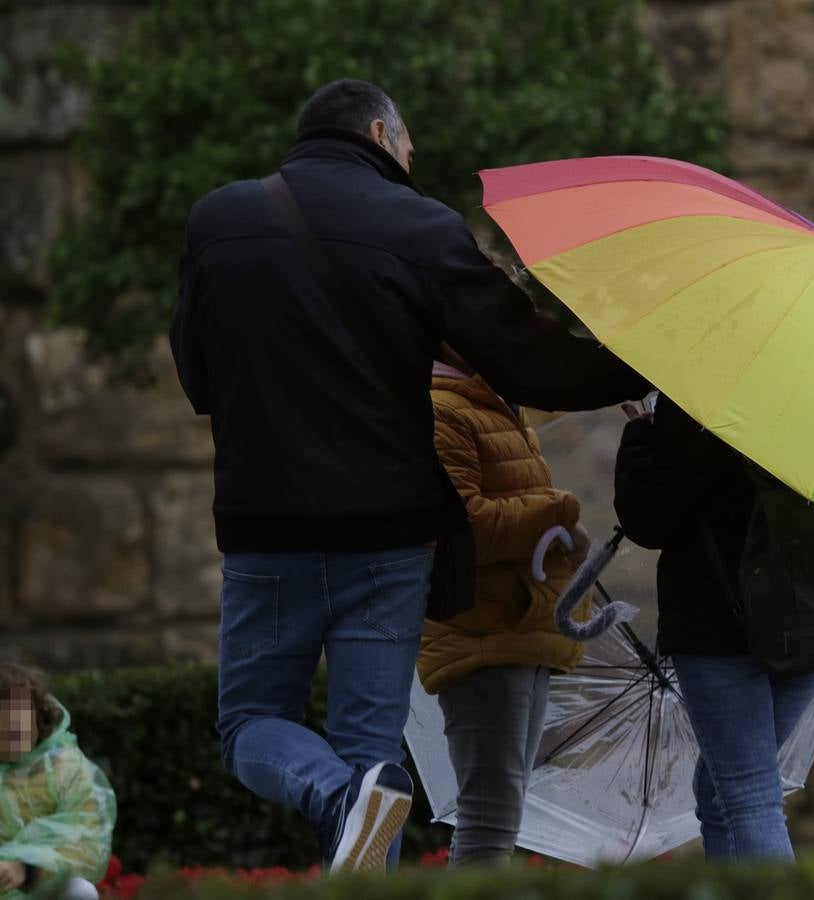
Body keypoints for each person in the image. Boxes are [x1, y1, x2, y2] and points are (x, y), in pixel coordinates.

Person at [170, 79, 646, 874]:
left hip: (268, 526)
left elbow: (197, 377)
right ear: (383, 133)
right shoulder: (419, 226)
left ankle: (334, 797)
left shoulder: (219, 219)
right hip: (390, 535)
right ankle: (347, 797)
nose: (412, 164)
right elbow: (524, 357)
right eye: (410, 150)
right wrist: (632, 367)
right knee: (367, 758)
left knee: (252, 723)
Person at [612, 397, 814, 861]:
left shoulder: (706, 391)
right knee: (719, 790)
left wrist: (643, 435)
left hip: (724, 621)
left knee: (750, 795)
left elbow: (648, 516)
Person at [416, 345, 591, 866]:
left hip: (522, 627)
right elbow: (459, 527)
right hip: (482, 633)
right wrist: (558, 513)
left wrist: (563, 533)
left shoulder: (497, 404)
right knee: (489, 816)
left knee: (502, 811)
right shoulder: (441, 408)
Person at [0, 662, 116, 900]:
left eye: (19, 715)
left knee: (79, 892)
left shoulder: (65, 767)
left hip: (41, 887)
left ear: (38, 713)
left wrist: (27, 867)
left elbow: (86, 842)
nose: (13, 728)